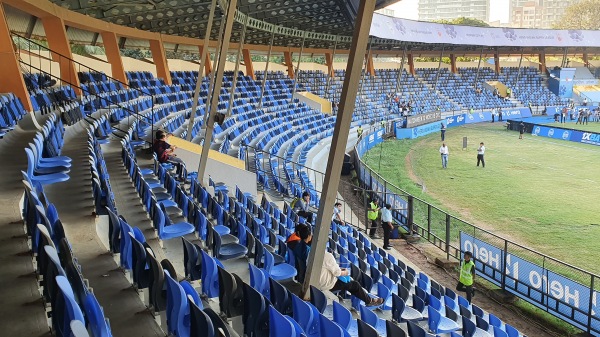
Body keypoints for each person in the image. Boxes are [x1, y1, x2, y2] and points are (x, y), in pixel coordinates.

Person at [318, 250, 384, 307]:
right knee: (355, 285)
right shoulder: (327, 255)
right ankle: (370, 301)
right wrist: (345, 272)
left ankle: (364, 298)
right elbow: (337, 273)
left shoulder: (310, 253)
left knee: (350, 284)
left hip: (318, 282)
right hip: (326, 284)